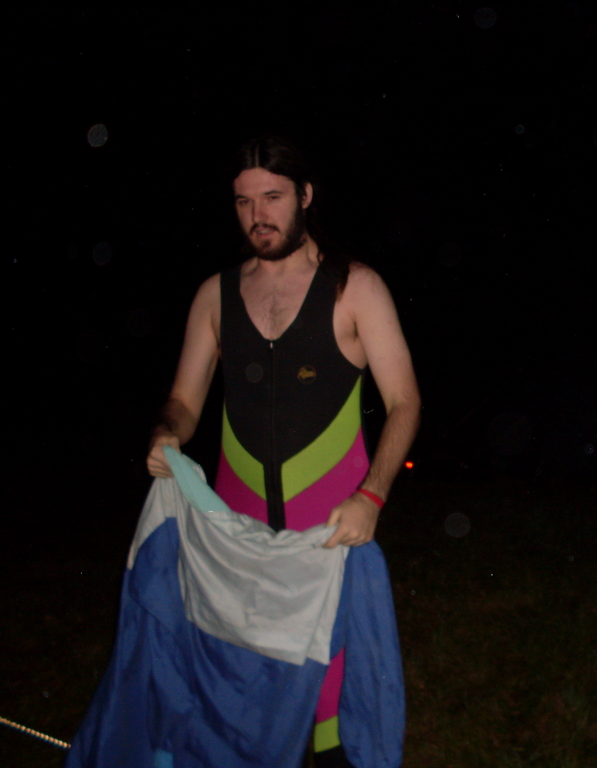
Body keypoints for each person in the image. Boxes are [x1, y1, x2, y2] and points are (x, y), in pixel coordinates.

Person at [146, 135, 420, 767]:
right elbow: (183, 401)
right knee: (244, 692)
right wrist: (166, 433)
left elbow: (405, 401)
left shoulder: (356, 288)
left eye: (272, 197)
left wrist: (372, 495)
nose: (257, 215)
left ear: (306, 196)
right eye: (244, 202)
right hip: (236, 538)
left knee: (330, 698)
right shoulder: (215, 294)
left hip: (329, 533)